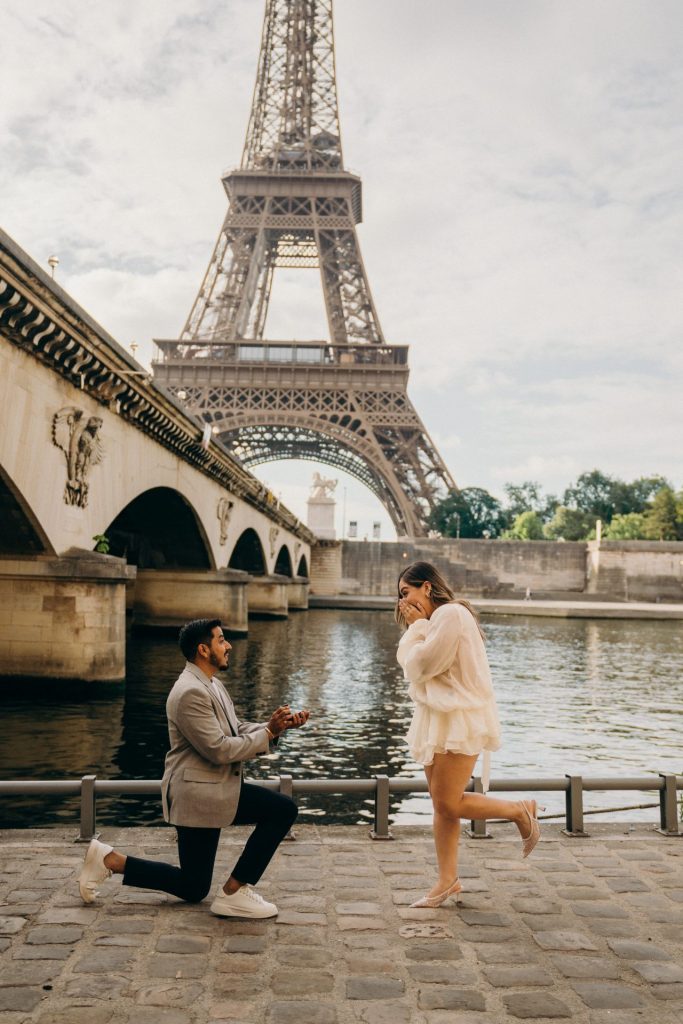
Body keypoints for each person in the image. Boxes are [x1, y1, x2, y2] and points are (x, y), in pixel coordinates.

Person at [78, 618, 309, 918]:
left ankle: (110, 860)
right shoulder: (190, 692)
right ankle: (234, 892)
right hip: (199, 793)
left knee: (193, 886)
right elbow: (219, 749)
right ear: (203, 649)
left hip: (208, 789)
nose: (228, 646)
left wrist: (275, 728)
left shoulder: (211, 683)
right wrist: (267, 733)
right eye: (221, 640)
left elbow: (235, 729)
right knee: (282, 810)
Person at [396, 562, 541, 909]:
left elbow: (422, 665)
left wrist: (417, 627)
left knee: (449, 802)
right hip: (438, 716)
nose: (402, 602)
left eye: (406, 592)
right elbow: (408, 664)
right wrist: (419, 629)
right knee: (442, 804)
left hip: (459, 717)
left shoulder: (450, 614)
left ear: (426, 587)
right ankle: (447, 881)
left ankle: (520, 811)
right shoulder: (436, 620)